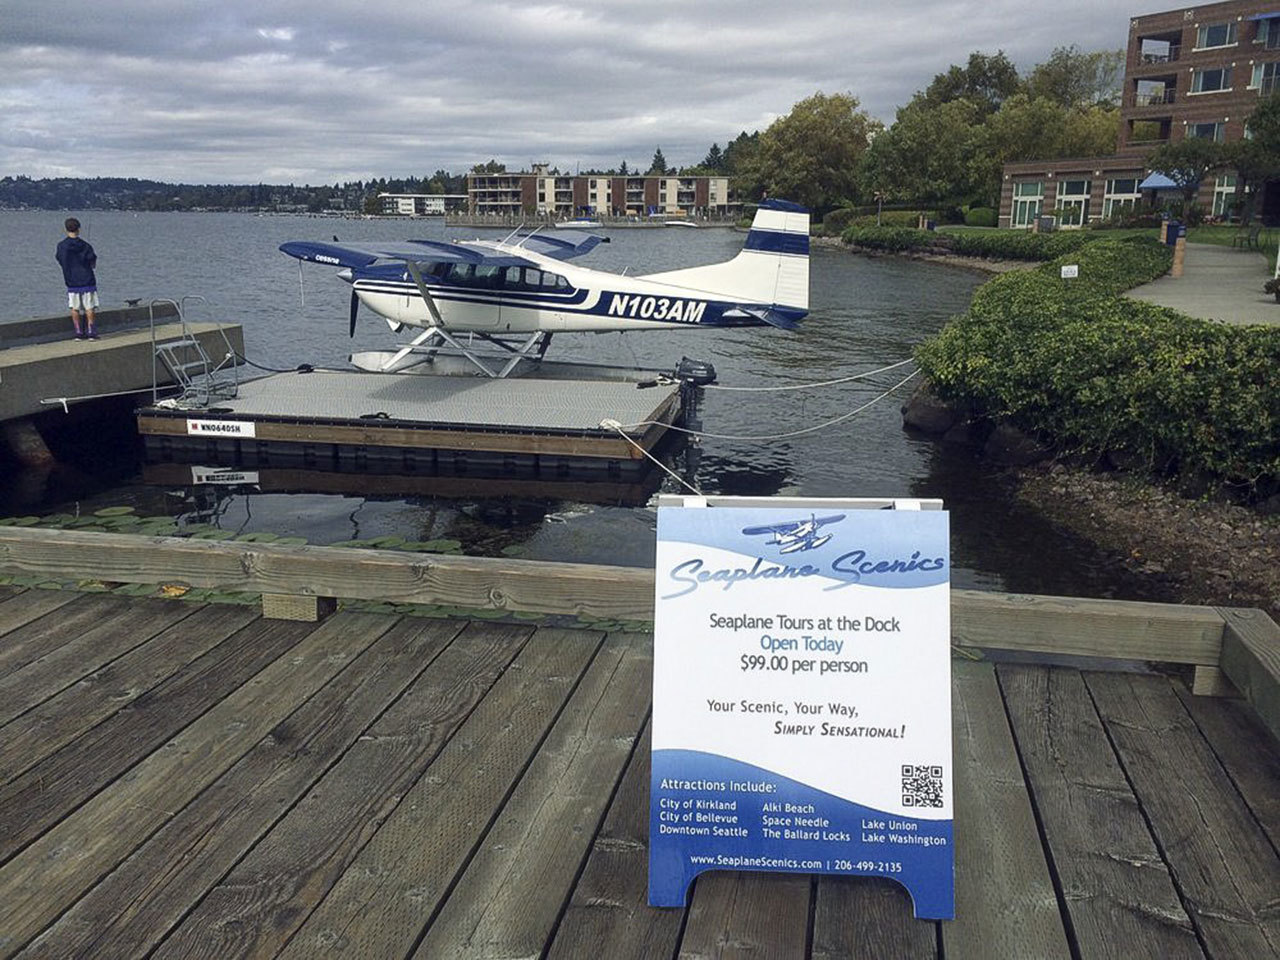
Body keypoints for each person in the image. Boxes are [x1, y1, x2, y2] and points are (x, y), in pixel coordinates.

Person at [55, 217, 99, 340]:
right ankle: (91, 331)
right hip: (87, 280)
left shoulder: (61, 246)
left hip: (71, 281)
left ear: (66, 229)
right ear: (78, 229)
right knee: (89, 307)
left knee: (74, 307)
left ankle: (78, 332)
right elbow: (93, 262)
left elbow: (60, 259)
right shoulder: (86, 246)